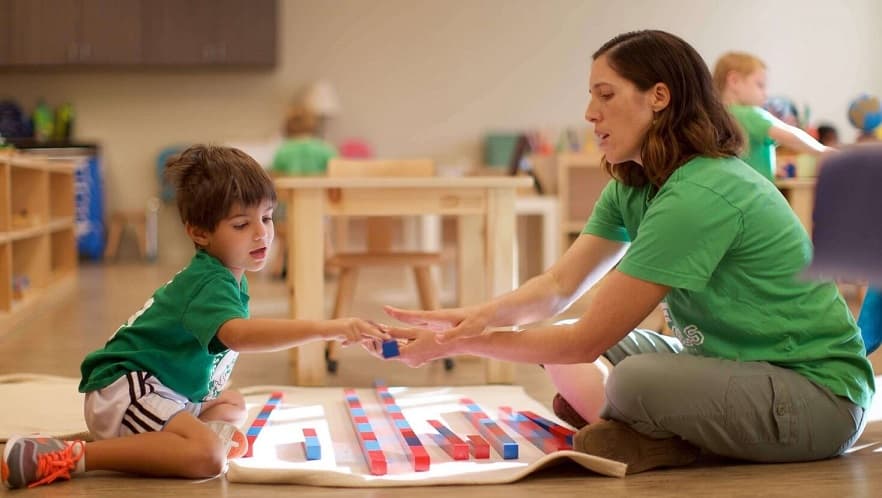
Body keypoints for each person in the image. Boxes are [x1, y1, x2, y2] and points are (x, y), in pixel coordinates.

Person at [373, 30, 873, 474]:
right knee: (566, 346)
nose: (590, 113)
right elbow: (555, 289)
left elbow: (589, 340)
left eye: (605, 96)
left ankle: (672, 440)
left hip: (816, 397)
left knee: (630, 380)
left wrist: (457, 345)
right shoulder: (634, 185)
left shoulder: (703, 191)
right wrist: (467, 320)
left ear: (659, 97)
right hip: (731, 365)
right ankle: (655, 434)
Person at [1, 145, 389, 489]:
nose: (261, 234)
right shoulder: (209, 283)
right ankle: (76, 456)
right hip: (128, 387)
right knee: (208, 457)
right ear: (199, 232)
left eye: (268, 218)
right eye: (242, 224)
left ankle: (153, 444)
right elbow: (241, 336)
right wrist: (325, 328)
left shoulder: (229, 277)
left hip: (168, 391)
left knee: (232, 404)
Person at [713, 51, 832, 181]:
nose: (765, 94)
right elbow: (789, 134)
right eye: (760, 85)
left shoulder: (717, 117)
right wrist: (821, 150)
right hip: (757, 195)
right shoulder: (750, 114)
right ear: (734, 81)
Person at [270, 105, 337, 176]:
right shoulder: (326, 149)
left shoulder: (283, 152)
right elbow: (336, 173)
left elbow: (276, 176)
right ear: (313, 124)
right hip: (319, 187)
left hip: (291, 187)